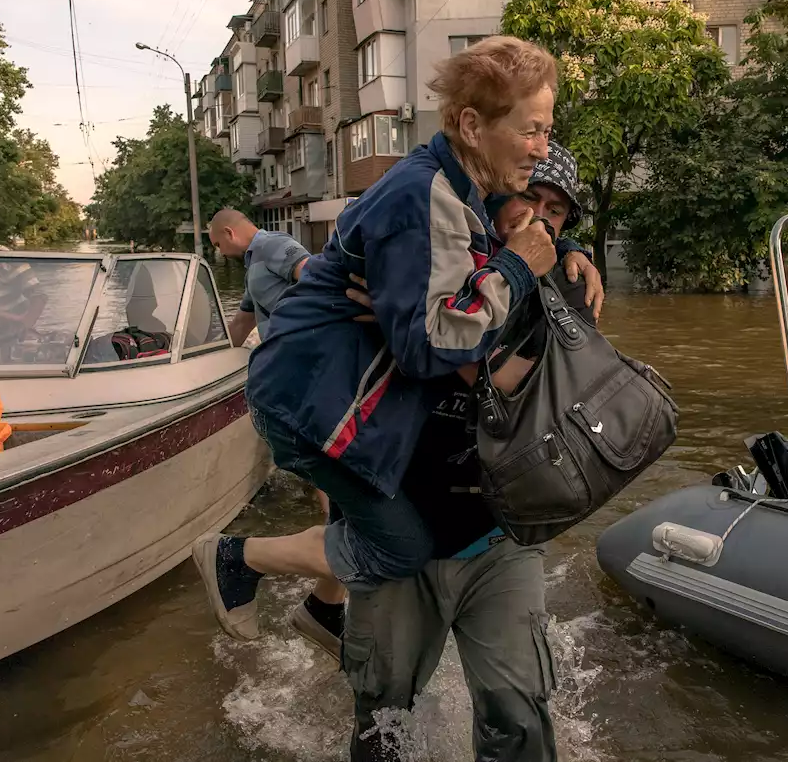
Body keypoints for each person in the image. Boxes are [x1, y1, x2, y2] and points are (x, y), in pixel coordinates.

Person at [192, 37, 602, 648]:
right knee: (402, 545)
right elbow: (432, 347)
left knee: (371, 526)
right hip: (317, 404)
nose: (543, 149)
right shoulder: (425, 199)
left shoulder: (456, 184)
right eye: (533, 130)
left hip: (333, 393)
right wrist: (518, 266)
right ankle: (238, 558)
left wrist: (562, 250)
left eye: (548, 132)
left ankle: (325, 614)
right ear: (471, 124)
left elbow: (514, 220)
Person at [335, 141, 595, 762]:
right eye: (532, 196)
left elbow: (530, 407)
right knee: (382, 716)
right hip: (399, 526)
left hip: (500, 534)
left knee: (518, 711)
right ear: (492, 192)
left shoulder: (568, 293)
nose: (542, 217)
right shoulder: (420, 261)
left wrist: (420, 340)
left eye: (558, 212)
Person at [207, 208, 311, 347]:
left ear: (229, 233)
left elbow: (317, 276)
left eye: (219, 245)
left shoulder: (272, 244)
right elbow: (242, 323)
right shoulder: (253, 266)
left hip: (305, 352)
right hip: (281, 355)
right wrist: (212, 356)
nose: (223, 252)